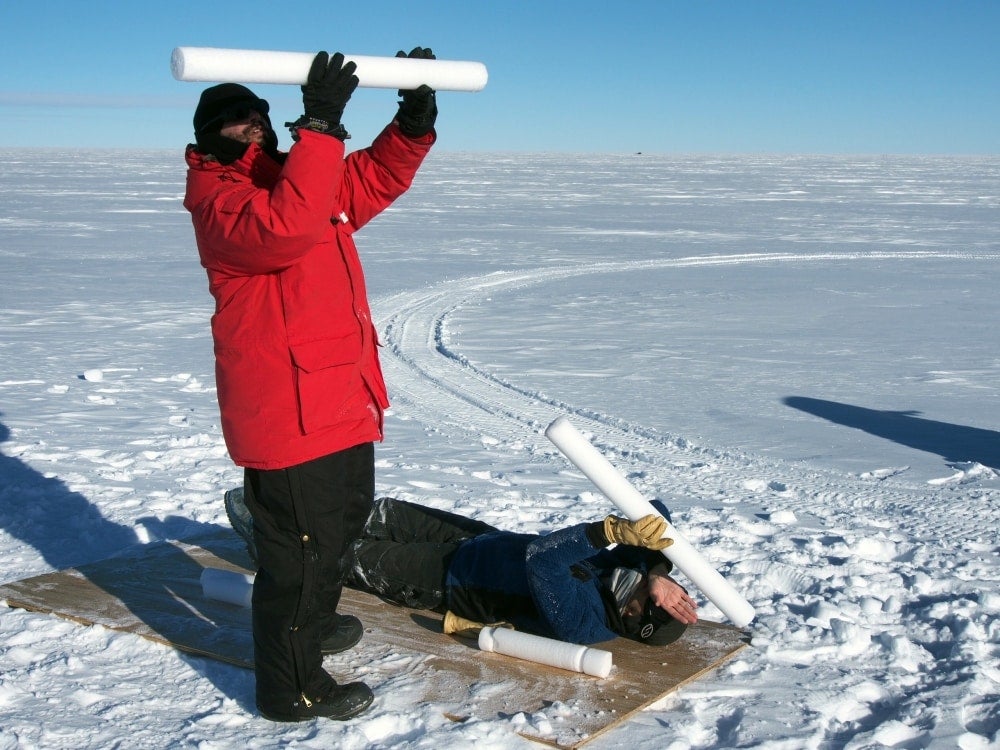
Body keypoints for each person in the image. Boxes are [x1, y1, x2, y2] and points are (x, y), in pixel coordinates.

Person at [184, 48, 439, 723]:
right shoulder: (221, 200)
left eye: (258, 116)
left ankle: (314, 623)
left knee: (340, 527)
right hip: (287, 411)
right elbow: (285, 229)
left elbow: (372, 179)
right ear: (207, 136)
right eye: (236, 121)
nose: (253, 126)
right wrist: (321, 126)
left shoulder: (297, 177)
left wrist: (410, 124)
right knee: (299, 554)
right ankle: (290, 687)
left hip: (338, 394)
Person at [226, 489, 699, 646]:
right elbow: (656, 511)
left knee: (350, 557)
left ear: (635, 615)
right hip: (479, 540)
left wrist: (608, 533)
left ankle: (272, 547)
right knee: (381, 511)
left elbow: (543, 560)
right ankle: (289, 511)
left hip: (447, 579)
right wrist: (657, 570)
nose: (650, 583)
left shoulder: (584, 622)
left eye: (653, 594)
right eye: (666, 587)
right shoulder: (627, 580)